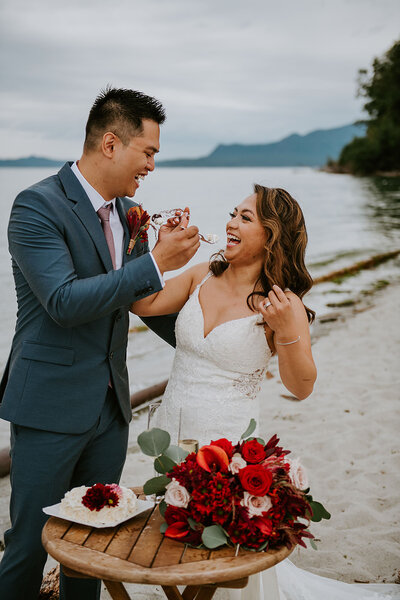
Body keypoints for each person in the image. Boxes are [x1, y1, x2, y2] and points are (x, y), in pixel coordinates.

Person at [131, 185, 398, 599]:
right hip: (172, 435)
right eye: (232, 213)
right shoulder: (202, 274)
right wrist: (158, 251)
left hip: (227, 451)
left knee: (224, 565)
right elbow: (143, 304)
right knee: (179, 549)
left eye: (245, 218)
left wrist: (289, 332)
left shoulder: (280, 303)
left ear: (271, 235)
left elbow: (302, 386)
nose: (230, 223)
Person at [0, 86, 200, 600]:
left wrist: (211, 341)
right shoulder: (35, 206)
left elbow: (139, 301)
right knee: (28, 544)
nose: (152, 166)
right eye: (148, 152)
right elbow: (64, 301)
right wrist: (155, 263)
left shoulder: (130, 212)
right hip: (48, 406)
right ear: (111, 143)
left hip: (110, 410)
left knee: (94, 548)